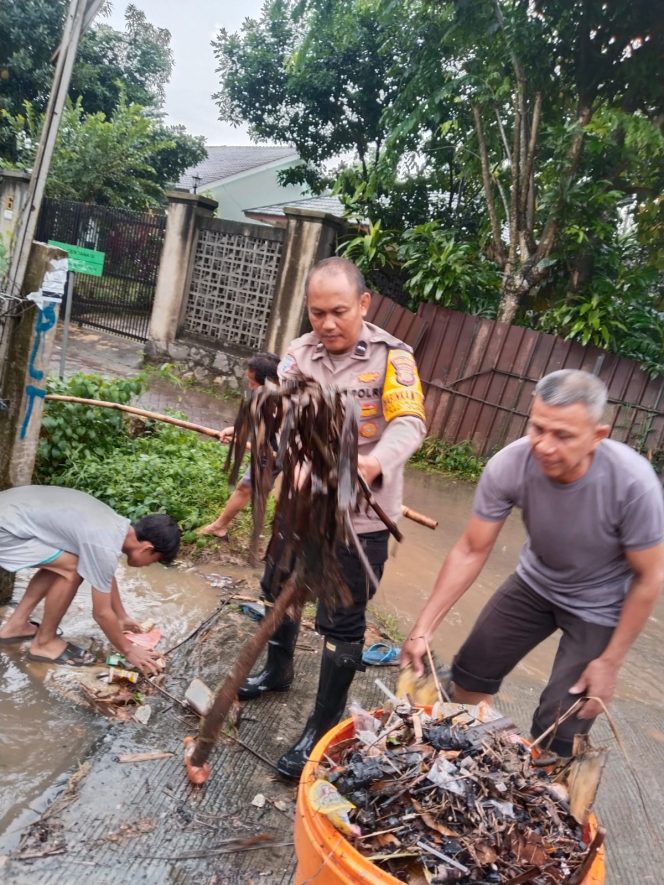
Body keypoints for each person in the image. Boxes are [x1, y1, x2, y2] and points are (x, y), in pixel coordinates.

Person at [401, 369, 664, 758]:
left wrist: (610, 662)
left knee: (562, 723)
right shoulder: (510, 464)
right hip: (535, 583)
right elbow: (472, 549)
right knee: (471, 671)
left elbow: (650, 576)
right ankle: (465, 757)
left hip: (601, 606)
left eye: (563, 435)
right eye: (538, 428)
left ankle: (548, 786)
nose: (544, 446)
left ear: (597, 436)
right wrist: (423, 627)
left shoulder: (633, 485)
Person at [239, 256, 427, 779]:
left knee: (342, 623)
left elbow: (410, 424)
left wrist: (372, 461)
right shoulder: (298, 356)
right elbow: (284, 423)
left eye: (339, 311)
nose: (327, 323)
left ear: (363, 304)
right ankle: (277, 671)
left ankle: (321, 725)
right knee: (278, 590)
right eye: (317, 312)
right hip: (302, 511)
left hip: (361, 520)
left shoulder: (394, 357)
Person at [0, 485, 181, 675]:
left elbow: (103, 574)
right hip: (5, 528)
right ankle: (44, 643)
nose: (149, 565)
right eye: (155, 560)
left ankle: (16, 625)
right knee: (73, 569)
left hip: (9, 512)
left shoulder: (114, 527)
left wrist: (121, 617)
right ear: (147, 548)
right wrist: (128, 650)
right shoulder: (103, 544)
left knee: (65, 561)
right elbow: (101, 613)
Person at [198, 352, 280, 541]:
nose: (246, 376)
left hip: (275, 452)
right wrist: (233, 431)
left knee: (245, 487)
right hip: (271, 450)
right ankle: (263, 529)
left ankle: (219, 527)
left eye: (251, 377)